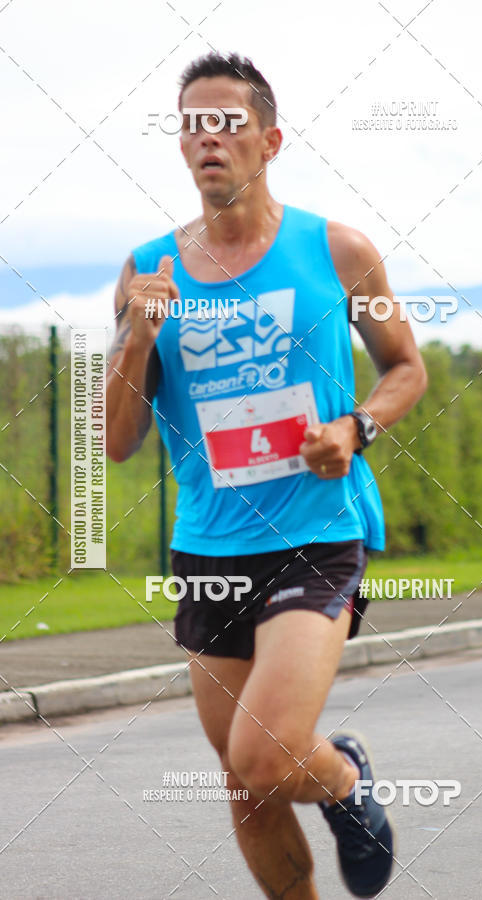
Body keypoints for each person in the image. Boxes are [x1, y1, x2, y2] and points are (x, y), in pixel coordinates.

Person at [106, 52, 427, 899]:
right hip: (209, 550)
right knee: (247, 785)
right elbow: (116, 440)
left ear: (270, 140)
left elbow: (406, 368)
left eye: (228, 121)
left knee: (268, 751)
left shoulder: (339, 248)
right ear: (181, 148)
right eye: (192, 125)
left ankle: (348, 782)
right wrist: (139, 333)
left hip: (319, 533)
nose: (208, 138)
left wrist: (356, 428)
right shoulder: (147, 271)